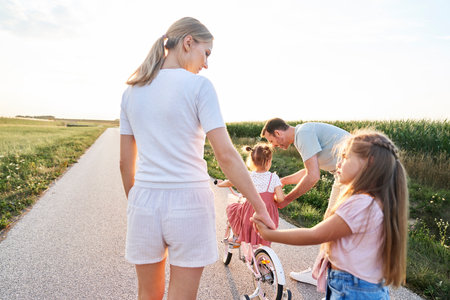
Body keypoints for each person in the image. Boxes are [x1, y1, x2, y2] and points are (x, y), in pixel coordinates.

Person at [119, 17, 274, 300]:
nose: (206, 64)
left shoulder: (131, 92)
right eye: (206, 53)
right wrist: (258, 206)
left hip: (143, 202)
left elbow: (124, 163)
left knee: (147, 294)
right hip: (189, 201)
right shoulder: (199, 87)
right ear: (188, 42)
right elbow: (226, 155)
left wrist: (138, 201)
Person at [253, 130, 409, 299]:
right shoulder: (375, 201)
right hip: (359, 286)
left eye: (345, 157)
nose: (339, 162)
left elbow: (315, 234)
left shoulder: (361, 204)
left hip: (353, 290)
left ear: (369, 163)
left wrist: (269, 234)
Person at [261, 118, 350, 284]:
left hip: (351, 174)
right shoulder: (305, 132)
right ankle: (327, 272)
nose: (273, 145)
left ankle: (321, 275)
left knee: (331, 225)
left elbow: (313, 176)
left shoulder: (303, 134)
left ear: (278, 133)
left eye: (272, 141)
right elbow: (309, 169)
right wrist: (283, 181)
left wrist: (287, 199)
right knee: (335, 224)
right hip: (346, 173)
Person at [216, 143, 284, 247]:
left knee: (232, 208)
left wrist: (220, 184)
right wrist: (271, 197)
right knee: (265, 238)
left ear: (251, 161)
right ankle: (265, 255)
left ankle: (237, 236)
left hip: (251, 211)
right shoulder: (273, 178)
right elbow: (280, 199)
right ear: (269, 161)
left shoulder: (248, 175)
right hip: (268, 213)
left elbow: (231, 181)